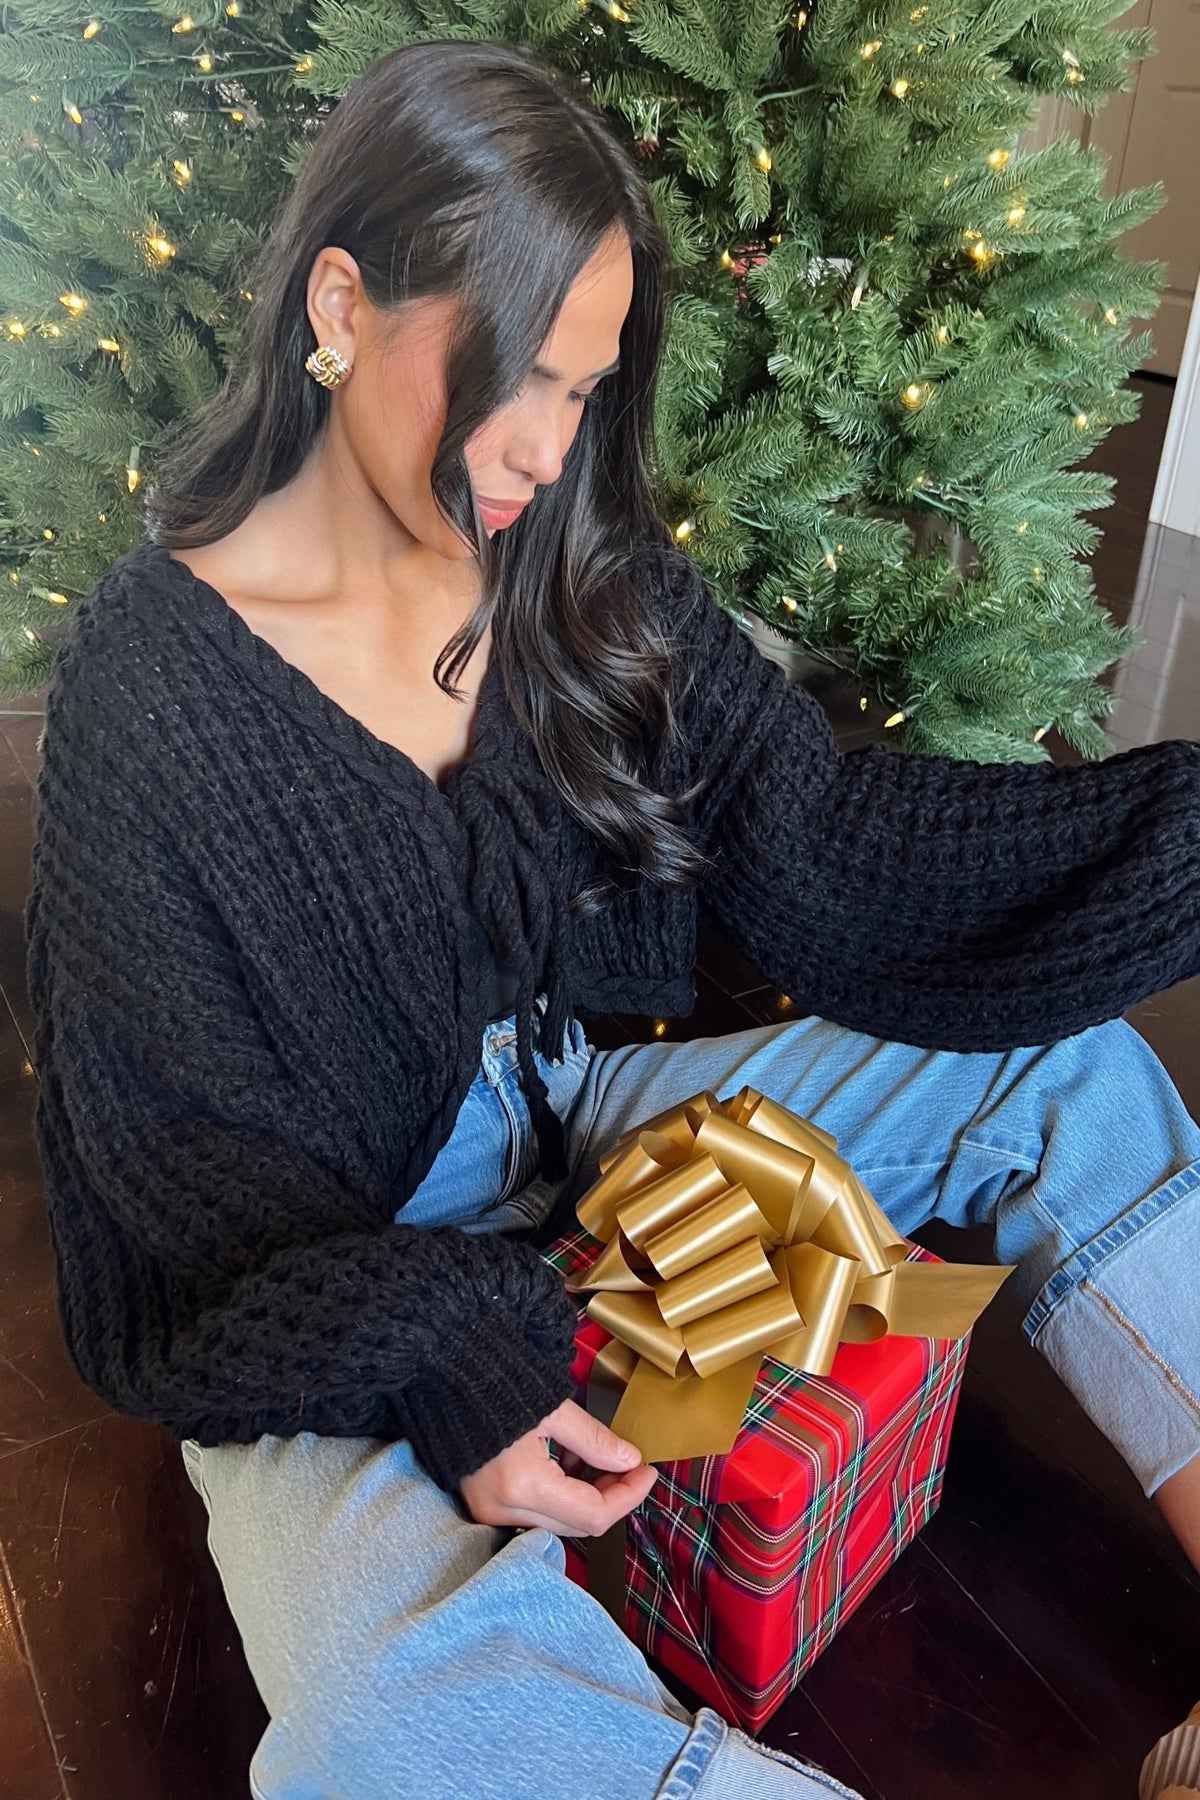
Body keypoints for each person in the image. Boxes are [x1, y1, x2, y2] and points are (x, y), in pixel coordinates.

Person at [25, 38, 1199, 1800]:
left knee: (1068, 1070)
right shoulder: (147, 689)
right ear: (340, 306)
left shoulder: (574, 569)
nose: (542, 446)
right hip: (329, 1268)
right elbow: (180, 1189)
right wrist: (445, 1347)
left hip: (581, 1121)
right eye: (513, 375)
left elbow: (835, 846)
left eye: (581, 389)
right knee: (381, 1714)